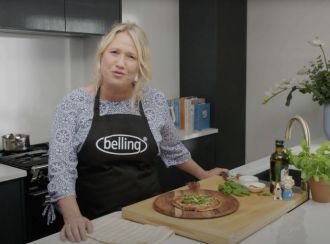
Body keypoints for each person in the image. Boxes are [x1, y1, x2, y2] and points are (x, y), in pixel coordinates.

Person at [47, 22, 228, 243]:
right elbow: (60, 168)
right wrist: (72, 216)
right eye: (114, 52)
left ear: (140, 66)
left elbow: (173, 149)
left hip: (148, 216)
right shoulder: (74, 103)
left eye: (131, 56)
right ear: (101, 56)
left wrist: (204, 175)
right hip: (93, 223)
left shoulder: (154, 100)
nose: (120, 63)